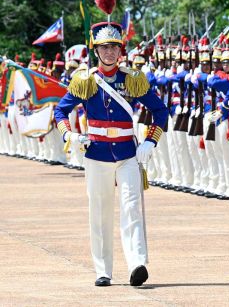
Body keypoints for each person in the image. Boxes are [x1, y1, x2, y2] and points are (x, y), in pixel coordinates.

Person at [55, 20, 168, 287]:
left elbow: (160, 111)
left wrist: (150, 141)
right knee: (100, 212)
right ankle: (103, 270)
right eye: (104, 47)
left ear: (121, 50)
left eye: (114, 47)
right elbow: (60, 111)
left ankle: (137, 263)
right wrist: (70, 135)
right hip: (96, 154)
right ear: (96, 50)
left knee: (132, 208)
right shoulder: (85, 80)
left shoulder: (132, 79)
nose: (109, 53)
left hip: (128, 153)